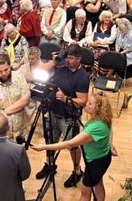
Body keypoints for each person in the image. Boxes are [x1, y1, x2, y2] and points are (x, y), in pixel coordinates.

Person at [33, 93, 117, 199]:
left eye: (90, 103)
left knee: (85, 192)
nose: (86, 104)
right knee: (98, 182)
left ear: (98, 109)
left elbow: (70, 143)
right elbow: (110, 129)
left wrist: (43, 147)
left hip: (96, 163)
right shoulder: (102, 118)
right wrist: (110, 144)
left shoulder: (95, 127)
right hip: (102, 158)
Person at [34, 44, 90, 188]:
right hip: (53, 111)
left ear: (79, 59)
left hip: (68, 117)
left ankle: (77, 171)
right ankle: (50, 164)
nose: (67, 61)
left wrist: (66, 99)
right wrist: (54, 61)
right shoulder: (61, 66)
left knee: (73, 146)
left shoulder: (83, 76)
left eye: (71, 58)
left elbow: (83, 101)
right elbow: (39, 71)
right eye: (67, 57)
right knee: (50, 140)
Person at [0, 54, 30, 138]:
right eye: (0, 71)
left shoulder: (19, 77)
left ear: (10, 66)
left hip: (19, 131)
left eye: (6, 69)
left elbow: (25, 100)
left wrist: (3, 112)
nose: (4, 73)